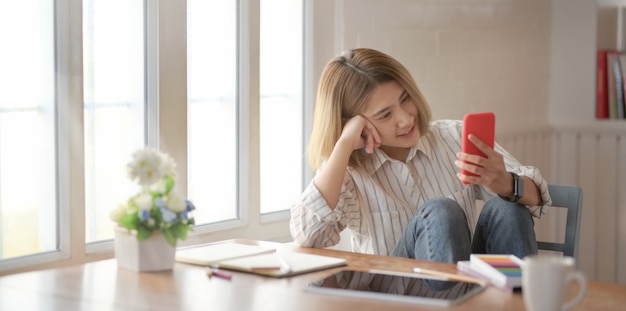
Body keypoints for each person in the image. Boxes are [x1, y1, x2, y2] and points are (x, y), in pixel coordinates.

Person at [290, 48, 552, 265]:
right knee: (440, 211)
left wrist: (506, 183)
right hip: (397, 298)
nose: (405, 119)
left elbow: (537, 196)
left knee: (508, 208)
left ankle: (516, 302)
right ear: (353, 123)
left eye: (405, 100)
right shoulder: (346, 172)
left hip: (468, 290)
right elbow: (308, 236)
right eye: (385, 115)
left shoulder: (453, 137)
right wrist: (344, 143)